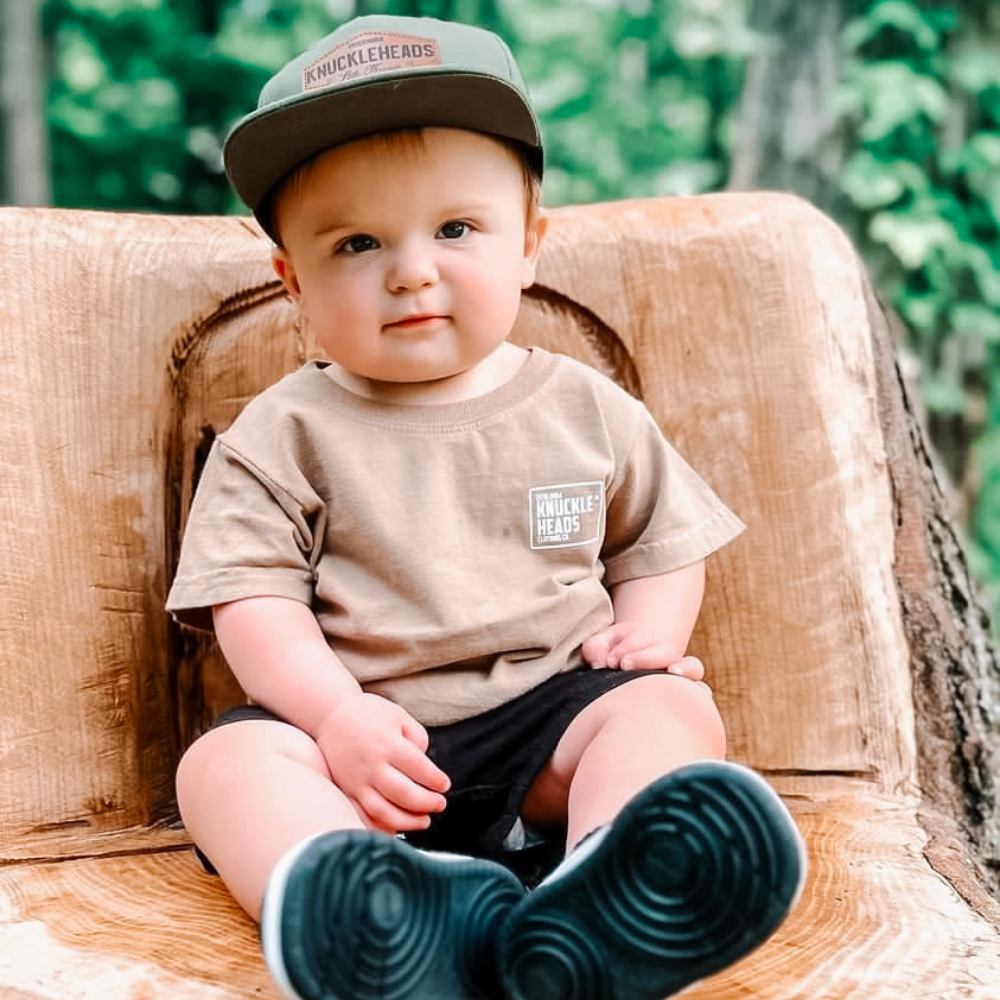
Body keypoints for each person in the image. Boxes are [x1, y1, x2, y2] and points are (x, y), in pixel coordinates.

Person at [166, 14, 806, 1000]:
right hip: (361, 746)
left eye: (456, 229)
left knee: (668, 706)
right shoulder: (282, 431)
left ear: (528, 247)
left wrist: (644, 635)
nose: (412, 269)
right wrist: (335, 717)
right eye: (357, 242)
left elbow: (659, 541)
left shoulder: (585, 407)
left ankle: (609, 882)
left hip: (547, 731)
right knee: (224, 766)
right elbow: (254, 600)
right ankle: (371, 904)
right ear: (292, 281)